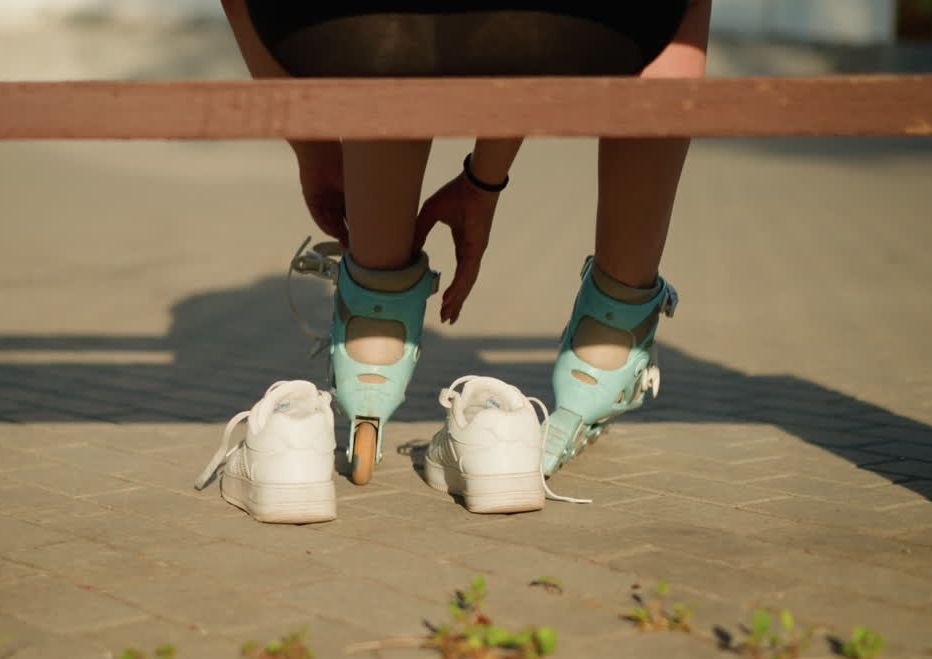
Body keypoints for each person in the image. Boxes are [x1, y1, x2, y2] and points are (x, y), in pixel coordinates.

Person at [218, 1, 711, 489]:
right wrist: (483, 179)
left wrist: (313, 146)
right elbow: (522, 42)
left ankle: (372, 343)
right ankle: (602, 365)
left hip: (343, 31)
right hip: (585, 28)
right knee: (673, 21)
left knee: (386, 42)